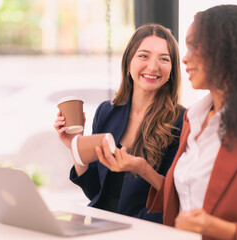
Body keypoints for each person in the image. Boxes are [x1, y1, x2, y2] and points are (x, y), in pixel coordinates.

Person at [96, 5, 237, 239]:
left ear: (229, 52)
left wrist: (216, 229)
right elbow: (177, 198)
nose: (185, 58)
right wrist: (139, 167)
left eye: (195, 47)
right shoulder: (195, 119)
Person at [54, 23, 185, 222]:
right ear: (128, 62)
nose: (152, 66)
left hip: (145, 229)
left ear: (171, 70)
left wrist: (142, 168)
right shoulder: (107, 112)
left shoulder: (181, 121)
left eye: (164, 59)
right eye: (143, 55)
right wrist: (76, 146)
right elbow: (96, 194)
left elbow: (177, 196)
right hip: (102, 226)